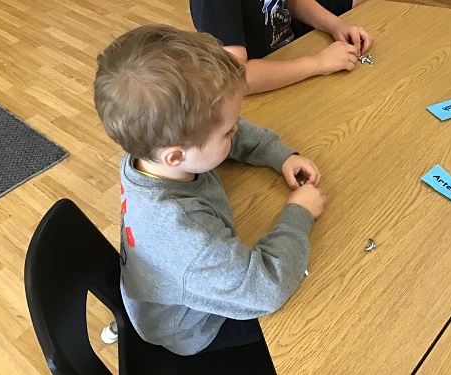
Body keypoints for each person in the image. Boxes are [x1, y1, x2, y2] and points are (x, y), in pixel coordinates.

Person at [94, 24, 326, 356]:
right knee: (314, 321)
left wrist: (279, 155)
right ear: (176, 155)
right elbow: (267, 289)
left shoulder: (148, 152)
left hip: (168, 286)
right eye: (228, 132)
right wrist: (297, 216)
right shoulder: (189, 237)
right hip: (191, 330)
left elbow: (224, 130)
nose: (236, 130)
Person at [190, 0, 374, 94]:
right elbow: (236, 77)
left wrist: (335, 25)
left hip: (293, 60)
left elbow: (292, 2)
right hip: (266, 88)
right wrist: (319, 63)